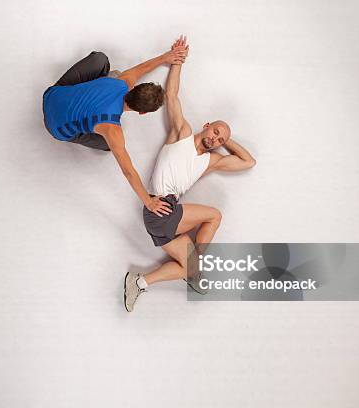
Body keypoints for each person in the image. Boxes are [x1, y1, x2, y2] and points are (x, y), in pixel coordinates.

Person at [123, 36, 257, 312]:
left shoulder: (211, 161)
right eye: (215, 132)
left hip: (161, 216)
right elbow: (172, 95)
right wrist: (177, 59)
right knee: (214, 215)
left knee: (188, 267)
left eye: (219, 140)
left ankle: (140, 282)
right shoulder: (181, 134)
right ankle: (198, 269)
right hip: (159, 206)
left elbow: (248, 162)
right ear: (206, 126)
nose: (215, 140)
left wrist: (227, 139)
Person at [42, 39, 189, 216]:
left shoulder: (122, 82)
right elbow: (128, 171)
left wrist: (166, 57)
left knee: (101, 60)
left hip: (52, 94)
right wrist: (149, 202)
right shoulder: (112, 130)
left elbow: (141, 68)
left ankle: (93, 92)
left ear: (134, 87)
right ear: (142, 113)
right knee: (108, 145)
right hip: (55, 127)